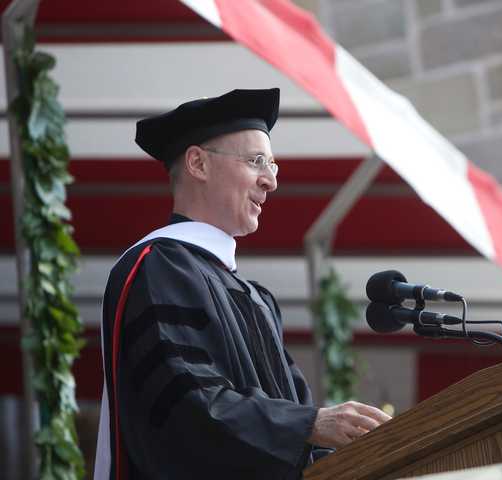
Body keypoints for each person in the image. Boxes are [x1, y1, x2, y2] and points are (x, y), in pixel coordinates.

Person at [94, 89, 391, 480]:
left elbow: (301, 431)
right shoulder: (158, 267)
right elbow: (188, 406)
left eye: (273, 167)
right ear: (198, 163)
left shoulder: (257, 299)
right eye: (256, 162)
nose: (271, 181)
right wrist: (308, 425)